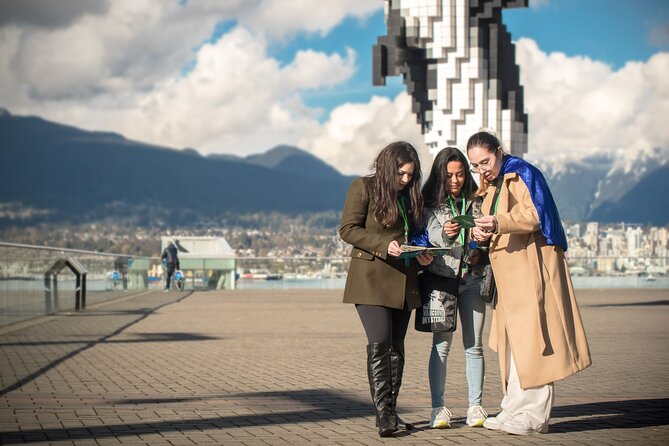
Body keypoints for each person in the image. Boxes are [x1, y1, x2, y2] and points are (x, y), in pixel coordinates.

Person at [467, 130, 591, 435]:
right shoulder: (494, 185)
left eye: (486, 161)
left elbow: (536, 213)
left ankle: (534, 416)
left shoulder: (522, 174)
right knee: (513, 345)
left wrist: (498, 223)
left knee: (536, 341)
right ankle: (513, 407)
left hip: (531, 270)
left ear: (499, 151)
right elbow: (494, 221)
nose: (482, 169)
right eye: (476, 166)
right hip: (510, 278)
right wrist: (480, 233)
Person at [339, 141, 433, 437]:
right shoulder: (362, 187)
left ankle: (390, 410)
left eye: (410, 175)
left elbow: (414, 234)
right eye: (401, 173)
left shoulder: (410, 197)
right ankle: (384, 416)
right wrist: (383, 244)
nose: (405, 180)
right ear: (388, 166)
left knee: (397, 350)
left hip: (405, 279)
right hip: (371, 279)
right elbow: (348, 229)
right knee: (380, 343)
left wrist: (422, 253)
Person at [421, 147, 489, 429]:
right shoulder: (428, 203)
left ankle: (476, 407)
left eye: (461, 174)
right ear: (440, 174)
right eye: (449, 175)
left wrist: (480, 242)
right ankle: (438, 408)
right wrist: (444, 233)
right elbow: (430, 233)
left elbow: (487, 233)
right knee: (441, 346)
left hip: (472, 279)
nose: (456, 180)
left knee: (474, 346)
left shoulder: (478, 200)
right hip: (441, 280)